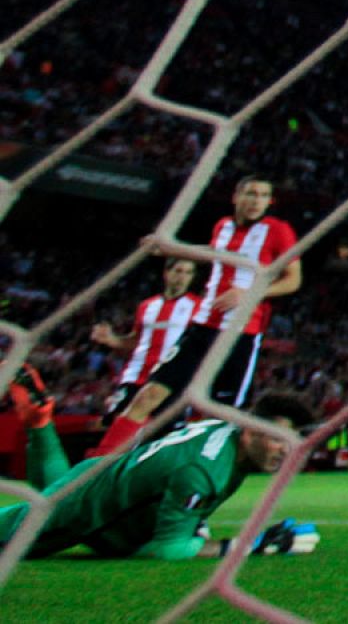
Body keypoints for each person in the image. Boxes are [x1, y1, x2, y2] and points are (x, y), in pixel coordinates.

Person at [1, 364, 320, 560]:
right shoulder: (202, 470)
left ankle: (40, 424)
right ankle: (40, 425)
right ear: (251, 431)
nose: (285, 451)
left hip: (103, 480)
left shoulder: (224, 434)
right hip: (89, 514)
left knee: (55, 492)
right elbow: (169, 550)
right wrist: (252, 545)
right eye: (278, 439)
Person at [91, 176, 302, 457]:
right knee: (148, 395)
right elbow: (214, 253)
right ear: (236, 197)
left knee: (219, 416)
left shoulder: (278, 231)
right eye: (251, 194)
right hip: (202, 327)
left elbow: (293, 280)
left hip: (239, 334)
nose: (257, 201)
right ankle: (97, 467)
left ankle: (203, 476)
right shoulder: (223, 226)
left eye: (264, 196)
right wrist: (172, 247)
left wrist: (249, 293)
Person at [90, 258, 201, 423]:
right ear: (167, 273)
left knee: (162, 432)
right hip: (136, 376)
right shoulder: (147, 306)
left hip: (169, 382)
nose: (182, 277)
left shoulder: (199, 307)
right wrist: (112, 339)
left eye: (188, 272)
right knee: (115, 424)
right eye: (178, 271)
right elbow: (137, 341)